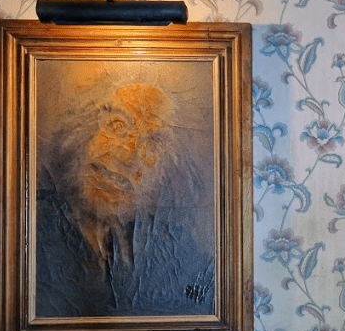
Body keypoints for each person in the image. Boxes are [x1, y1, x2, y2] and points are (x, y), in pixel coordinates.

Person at [35, 81, 215, 318]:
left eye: (152, 145)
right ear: (81, 133)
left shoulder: (174, 244)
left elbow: (201, 305)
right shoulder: (33, 229)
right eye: (117, 126)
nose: (129, 156)